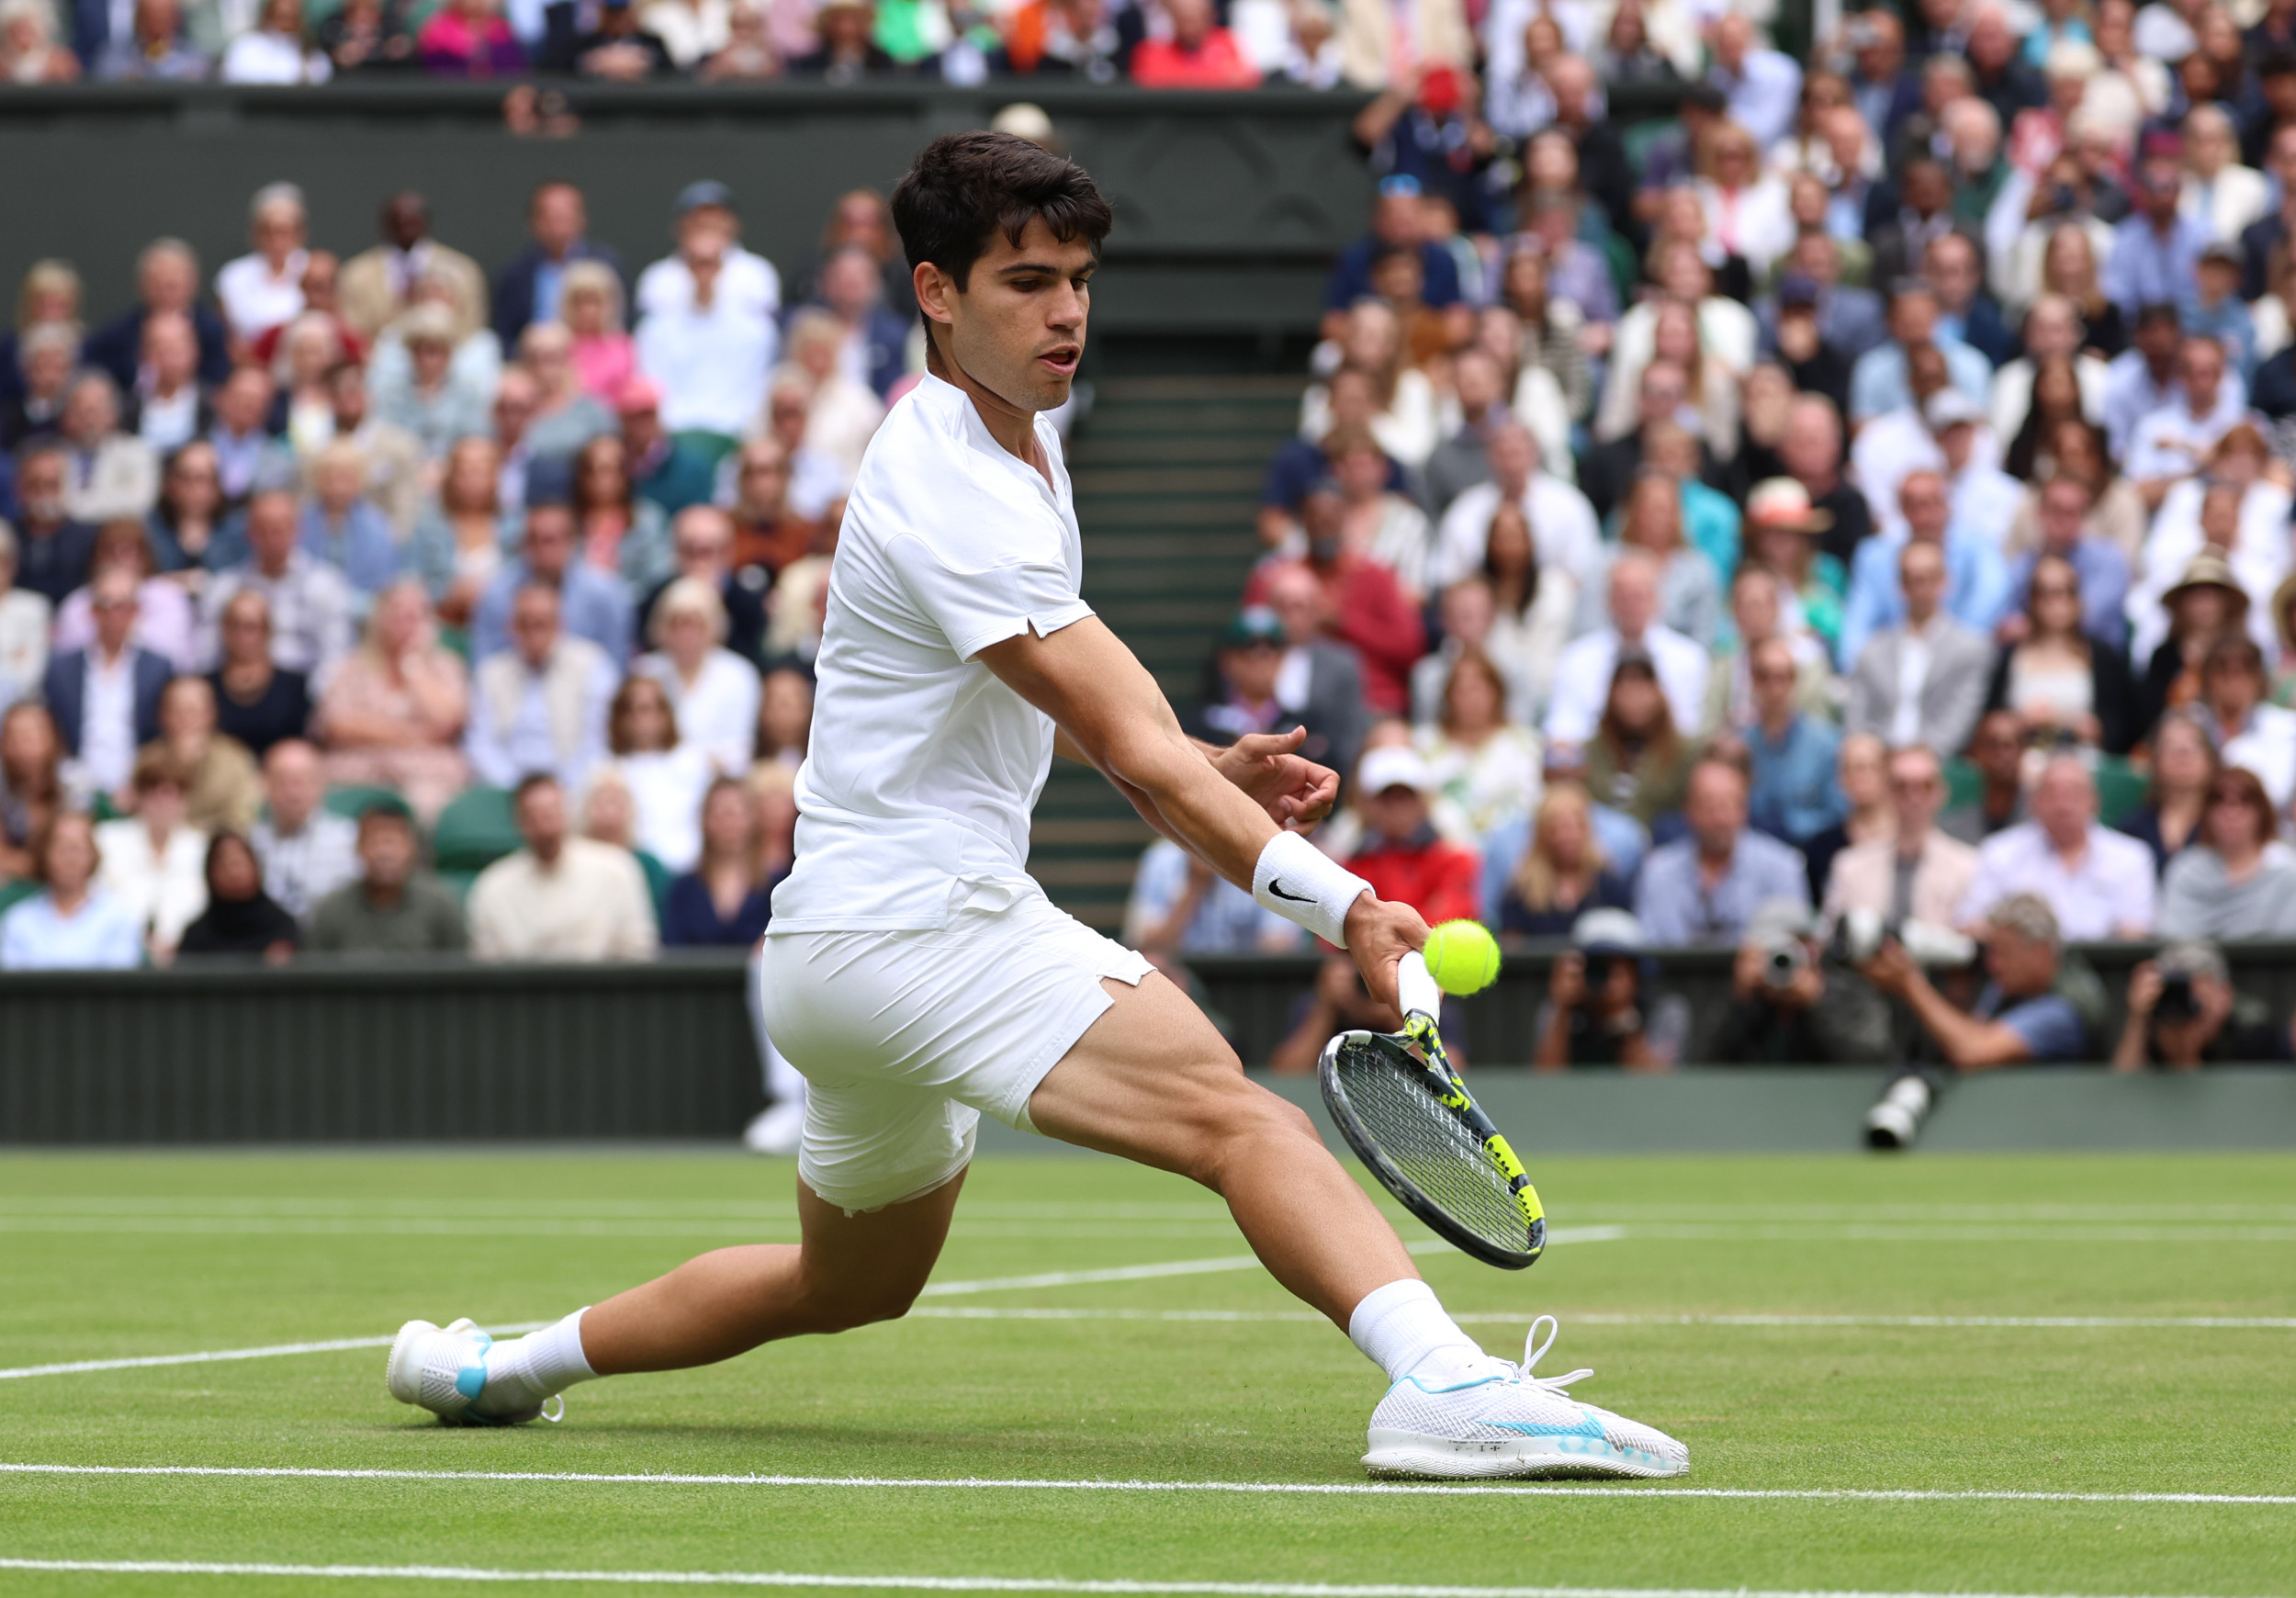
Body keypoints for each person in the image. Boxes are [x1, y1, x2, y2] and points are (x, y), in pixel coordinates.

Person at [384, 134, 1689, 1480]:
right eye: (1025, 281)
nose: (1065, 310)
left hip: (835, 956)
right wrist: (1344, 901)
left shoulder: (1024, 453)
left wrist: (1194, 768)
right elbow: (1130, 737)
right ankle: (1442, 1383)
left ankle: (494, 1367)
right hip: (918, 928)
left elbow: (1088, 734)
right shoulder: (951, 477)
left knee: (849, 1284)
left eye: (1077, 278)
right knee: (1243, 1119)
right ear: (937, 292)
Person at [1862, 892, 2109, 1092]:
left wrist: (1911, 985)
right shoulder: (2007, 985)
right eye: (1991, 952)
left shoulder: (2063, 1011)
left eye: (2003, 953)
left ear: (2040, 951)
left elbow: (1971, 1051)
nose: (1993, 965)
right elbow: (1974, 1030)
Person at [314, 580, 471, 823]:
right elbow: (336, 724)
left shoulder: (445, 666)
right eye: (396, 613)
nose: (404, 623)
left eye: (414, 615)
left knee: (431, 802)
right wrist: (413, 736)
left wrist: (413, 668)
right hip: (358, 773)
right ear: (379, 617)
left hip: (426, 777)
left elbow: (448, 721)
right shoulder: (351, 666)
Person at [1956, 753, 2156, 938]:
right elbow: (1971, 924)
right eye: (2052, 794)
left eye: (2074, 794)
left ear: (2094, 800)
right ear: (2034, 802)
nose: (2063, 805)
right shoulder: (1999, 852)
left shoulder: (2132, 858)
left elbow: (2136, 933)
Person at [466, 771, 657, 961]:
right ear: (519, 821)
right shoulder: (492, 887)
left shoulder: (617, 869)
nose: (546, 825)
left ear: (568, 811)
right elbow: (488, 968)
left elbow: (637, 952)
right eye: (535, 815)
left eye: (552, 812)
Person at [1634, 756, 1810, 945]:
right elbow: (1648, 949)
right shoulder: (1658, 871)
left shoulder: (1782, 867)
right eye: (1709, 806)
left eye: (1728, 805)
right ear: (1687, 810)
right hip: (1673, 975)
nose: (1719, 818)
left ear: (1745, 810)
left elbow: (1797, 947)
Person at [1542, 553, 1707, 753]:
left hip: (1667, 767)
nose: (1631, 605)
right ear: (1607, 601)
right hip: (1594, 768)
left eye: (1639, 596)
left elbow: (1689, 728)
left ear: (1658, 599)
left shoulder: (1690, 658)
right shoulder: (1577, 657)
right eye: (1622, 596)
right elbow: (1562, 728)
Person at [1845, 540, 1991, 760]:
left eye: (1929, 578)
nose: (1921, 588)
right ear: (1900, 586)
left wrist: (1918, 758)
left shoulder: (1970, 649)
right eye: (1913, 580)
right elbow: (1856, 719)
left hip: (1939, 763)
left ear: (1945, 582)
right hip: (1879, 763)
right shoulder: (1871, 650)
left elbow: (1957, 722)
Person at [1705, 898, 1896, 1066]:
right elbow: (1702, 1064)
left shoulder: (1848, 991)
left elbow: (1872, 1064)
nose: (1783, 960)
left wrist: (1818, 1001)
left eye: (1796, 946)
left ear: (1814, 949)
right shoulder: (1738, 996)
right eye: (1772, 949)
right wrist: (1740, 1000)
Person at [465, 583, 615, 793]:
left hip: (574, 786)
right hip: (507, 789)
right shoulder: (490, 673)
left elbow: (598, 741)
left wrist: (560, 789)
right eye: (525, 624)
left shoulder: (592, 664)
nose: (534, 633)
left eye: (542, 624)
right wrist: (519, 789)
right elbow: (480, 743)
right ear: (511, 627)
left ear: (561, 625)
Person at [1982, 551, 2137, 755]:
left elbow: (2128, 723)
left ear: (2078, 599)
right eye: (2046, 593)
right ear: (2032, 600)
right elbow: (1989, 720)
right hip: (2023, 763)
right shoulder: (2011, 655)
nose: (2056, 602)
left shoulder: (2102, 657)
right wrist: (2018, 723)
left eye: (2066, 592)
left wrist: (2096, 730)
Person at [43, 566, 173, 803]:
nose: (115, 615)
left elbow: (162, 736)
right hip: (73, 787)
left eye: (124, 606)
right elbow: (55, 733)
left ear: (136, 611)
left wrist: (140, 782)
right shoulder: (61, 669)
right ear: (93, 611)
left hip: (140, 788)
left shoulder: (158, 668)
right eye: (106, 606)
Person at [197, 490, 356, 681]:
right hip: (238, 692)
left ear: (297, 529)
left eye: (278, 529)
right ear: (249, 532)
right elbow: (205, 655)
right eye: (262, 530)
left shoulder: (326, 585)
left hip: (303, 694)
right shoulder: (224, 588)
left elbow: (335, 658)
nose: (271, 539)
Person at [1818, 741, 1976, 929]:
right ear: (1887, 791)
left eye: (1925, 786)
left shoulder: (1969, 869)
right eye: (1902, 787)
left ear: (1940, 792)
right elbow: (1830, 938)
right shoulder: (1849, 867)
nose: (1914, 797)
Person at [469, 500, 633, 664]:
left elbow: (616, 662)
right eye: (532, 540)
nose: (540, 549)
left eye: (549, 540)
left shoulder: (607, 594)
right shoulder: (495, 594)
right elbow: (484, 663)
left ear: (572, 542)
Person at [1529, 906, 1691, 1069]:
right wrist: (1562, 1009)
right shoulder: (1558, 1010)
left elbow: (1658, 1087)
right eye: (1597, 964)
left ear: (1636, 970)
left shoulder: (1664, 1008)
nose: (1606, 975)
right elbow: (1544, 1084)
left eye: (1618, 964)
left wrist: (1623, 1018)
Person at [304, 800, 467, 955]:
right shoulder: (331, 910)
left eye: (395, 843)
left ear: (414, 849)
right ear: (358, 848)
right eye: (375, 842)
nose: (385, 853)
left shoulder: (440, 907)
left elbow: (463, 973)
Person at [635, 576, 758, 776]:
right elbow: (635, 739)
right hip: (654, 780)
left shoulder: (739, 675)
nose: (686, 634)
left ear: (713, 626)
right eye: (678, 624)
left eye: (695, 624)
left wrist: (689, 763)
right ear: (662, 627)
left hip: (718, 786)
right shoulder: (645, 672)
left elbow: (739, 752)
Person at [591, 673, 714, 873]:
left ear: (665, 714)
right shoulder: (607, 770)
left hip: (690, 869)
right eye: (631, 710)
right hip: (634, 871)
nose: (640, 719)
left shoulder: (693, 762)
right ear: (619, 718)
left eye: (648, 709)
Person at [2155, 765, 2296, 938]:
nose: (2232, 814)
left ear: (2262, 812)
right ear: (2206, 812)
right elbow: (2174, 939)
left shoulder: (2287, 871)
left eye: (2244, 803)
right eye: (2221, 803)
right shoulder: (2187, 871)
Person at [1413, 649, 1538, 843]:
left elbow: (1533, 802)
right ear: (1448, 696)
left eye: (1478, 689)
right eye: (1461, 690)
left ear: (1496, 692)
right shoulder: (1423, 743)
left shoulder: (1526, 743)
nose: (1470, 698)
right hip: (1440, 852)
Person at [94, 748, 208, 960]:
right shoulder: (106, 840)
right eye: (154, 792)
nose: (164, 803)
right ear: (139, 796)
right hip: (116, 959)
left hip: (186, 960)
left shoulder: (203, 848)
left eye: (175, 793)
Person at [2114, 938, 2290, 1069]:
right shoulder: (2159, 1019)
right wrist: (2138, 1018)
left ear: (2224, 994)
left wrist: (2186, 1058)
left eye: (2196, 991)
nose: (2185, 1002)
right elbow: (2122, 1095)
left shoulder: (2252, 1035)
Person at [0, 812, 144, 970]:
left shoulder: (119, 915)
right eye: (61, 848)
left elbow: (118, 983)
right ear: (45, 854)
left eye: (78, 848)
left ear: (93, 854)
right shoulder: (18, 921)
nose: (70, 858)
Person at [493, 182, 628, 349]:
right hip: (535, 363)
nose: (557, 227)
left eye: (564, 217)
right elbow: (505, 334)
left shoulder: (607, 264)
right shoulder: (515, 273)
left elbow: (623, 323)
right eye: (549, 217)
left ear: (582, 219)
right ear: (532, 222)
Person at [1743, 636, 1844, 851]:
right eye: (1764, 677)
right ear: (1753, 681)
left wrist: (1793, 825)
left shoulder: (1826, 744)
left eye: (1782, 677)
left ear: (1794, 680)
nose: (1774, 688)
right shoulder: (1740, 745)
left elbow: (1837, 813)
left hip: (1807, 852)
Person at [1495, 782, 1631, 940]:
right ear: (1542, 834)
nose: (1567, 836)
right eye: (1557, 828)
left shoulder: (1609, 885)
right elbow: (1512, 951)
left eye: (1576, 826)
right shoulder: (1521, 891)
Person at [245, 737, 357, 919]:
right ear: (264, 785)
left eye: (303, 781)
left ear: (322, 784)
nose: (293, 794)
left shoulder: (350, 841)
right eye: (283, 782)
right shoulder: (247, 843)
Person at [662, 777, 779, 946]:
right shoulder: (683, 890)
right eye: (720, 814)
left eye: (737, 813)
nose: (729, 823)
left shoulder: (776, 888)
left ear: (753, 819)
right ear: (705, 820)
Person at [142, 674, 259, 836]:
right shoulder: (146, 758)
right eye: (176, 710)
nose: (185, 718)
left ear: (211, 713)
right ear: (162, 715)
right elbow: (137, 819)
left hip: (216, 850)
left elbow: (243, 815)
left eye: (193, 710)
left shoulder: (236, 758)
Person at [2192, 636, 2296, 811]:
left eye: (2244, 670)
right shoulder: (2188, 720)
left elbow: (2278, 795)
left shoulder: (2287, 727)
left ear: (2258, 678)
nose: (2234, 680)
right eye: (2223, 670)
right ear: (2207, 678)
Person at [205, 590, 310, 760]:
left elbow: (299, 746)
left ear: (267, 631)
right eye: (234, 625)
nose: (241, 635)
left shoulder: (293, 687)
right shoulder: (205, 687)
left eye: (250, 627)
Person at [2117, 709, 2215, 873]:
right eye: (2170, 745)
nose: (2182, 751)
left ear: (2211, 759)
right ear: (2155, 760)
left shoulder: (2226, 824)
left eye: (2194, 744)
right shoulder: (2132, 829)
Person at [175, 831, 298, 962]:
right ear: (210, 873)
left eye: (238, 863)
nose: (233, 872)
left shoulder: (283, 929)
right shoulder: (196, 937)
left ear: (255, 867)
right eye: (224, 864)